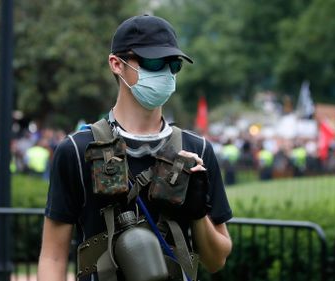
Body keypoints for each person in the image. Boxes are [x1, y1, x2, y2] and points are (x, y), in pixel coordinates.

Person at [37, 15, 233, 281]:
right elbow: (53, 256)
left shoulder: (196, 149)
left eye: (173, 64)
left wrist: (198, 215)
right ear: (117, 64)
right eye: (153, 61)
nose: (165, 72)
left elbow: (217, 259)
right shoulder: (75, 150)